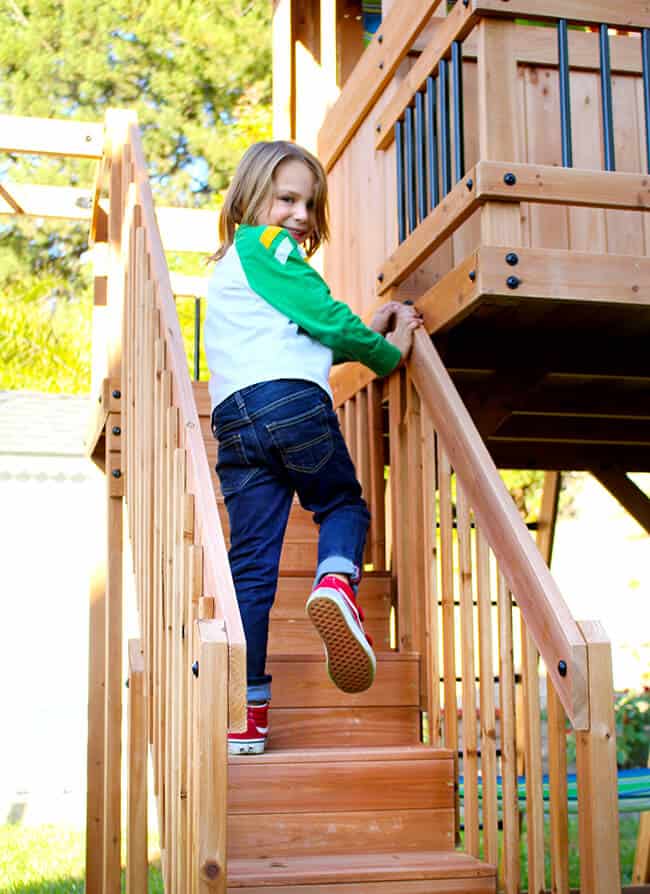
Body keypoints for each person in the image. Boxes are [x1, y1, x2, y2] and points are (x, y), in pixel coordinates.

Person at [204, 140, 422, 755]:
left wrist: (361, 329)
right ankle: (335, 584)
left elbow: (306, 327)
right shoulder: (269, 246)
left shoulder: (228, 269)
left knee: (251, 566)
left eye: (310, 203)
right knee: (342, 506)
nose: (300, 214)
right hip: (289, 404)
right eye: (287, 199)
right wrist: (386, 352)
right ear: (251, 198)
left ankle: (244, 717)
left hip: (235, 422)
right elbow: (324, 317)